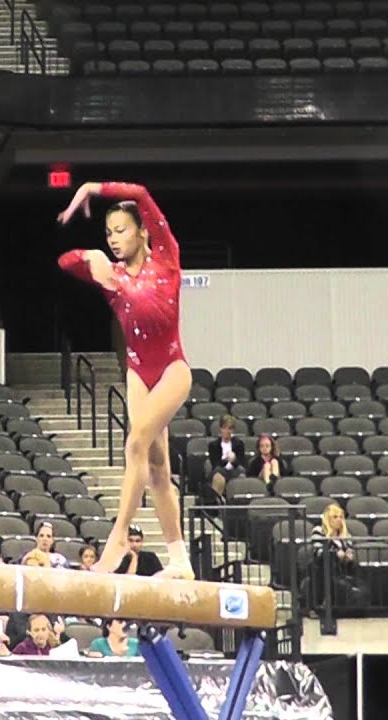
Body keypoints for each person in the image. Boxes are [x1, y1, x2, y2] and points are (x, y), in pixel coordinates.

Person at [57, 181, 192, 580]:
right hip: (137, 373)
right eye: (108, 233)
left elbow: (144, 195)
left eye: (121, 230)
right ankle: (180, 558)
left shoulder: (166, 257)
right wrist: (90, 257)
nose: (114, 239)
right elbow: (63, 262)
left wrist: (89, 188)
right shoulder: (111, 277)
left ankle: (117, 538)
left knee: (136, 442)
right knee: (157, 469)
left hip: (172, 369)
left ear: (143, 231)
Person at [206, 415, 246, 501]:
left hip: (235, 470)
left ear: (233, 430)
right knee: (218, 475)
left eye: (230, 428)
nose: (227, 431)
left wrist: (234, 460)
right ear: (220, 429)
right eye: (224, 428)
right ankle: (217, 505)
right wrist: (226, 460)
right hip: (220, 470)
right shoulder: (213, 445)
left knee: (241, 472)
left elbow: (242, 463)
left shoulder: (239, 444)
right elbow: (215, 464)